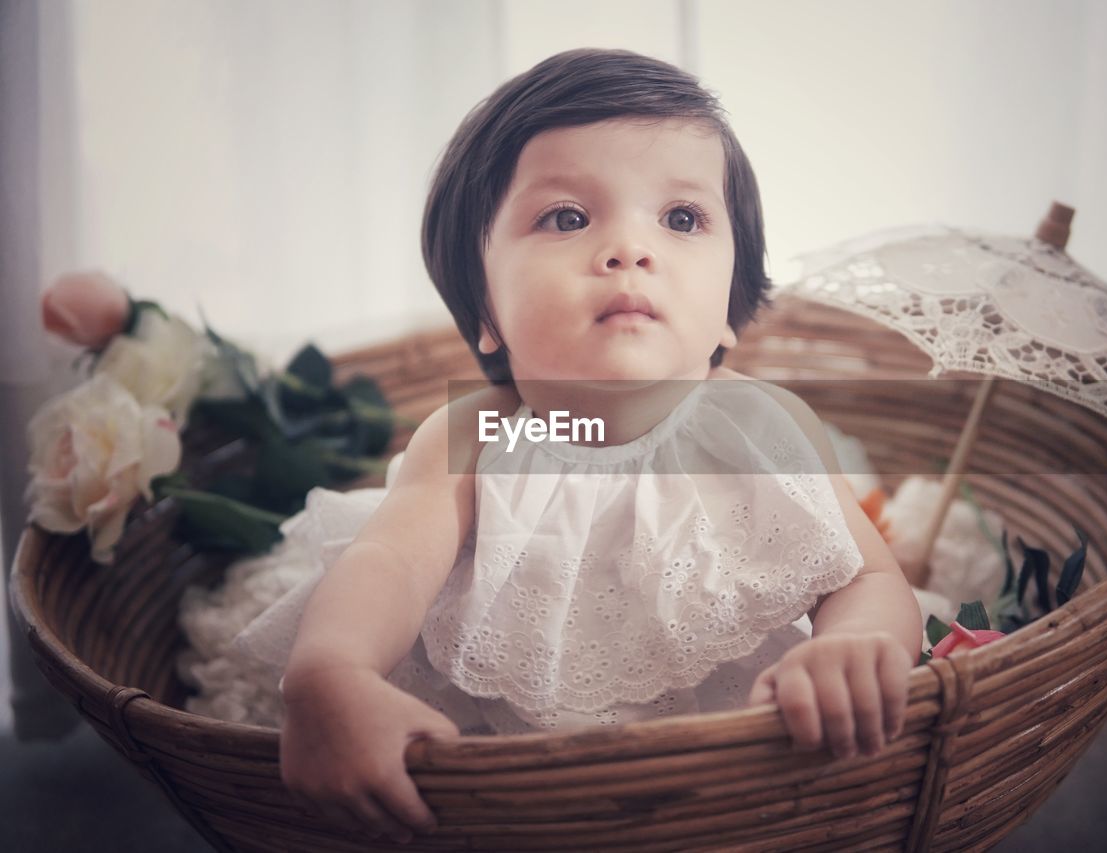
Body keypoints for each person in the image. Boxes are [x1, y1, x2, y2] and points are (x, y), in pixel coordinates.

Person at [248, 48, 921, 844]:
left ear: (729, 315)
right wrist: (330, 673)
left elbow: (869, 577)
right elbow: (387, 563)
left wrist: (853, 646)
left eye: (682, 219)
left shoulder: (763, 428)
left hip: (739, 773)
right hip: (505, 781)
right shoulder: (477, 435)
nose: (630, 249)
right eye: (567, 217)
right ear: (486, 311)